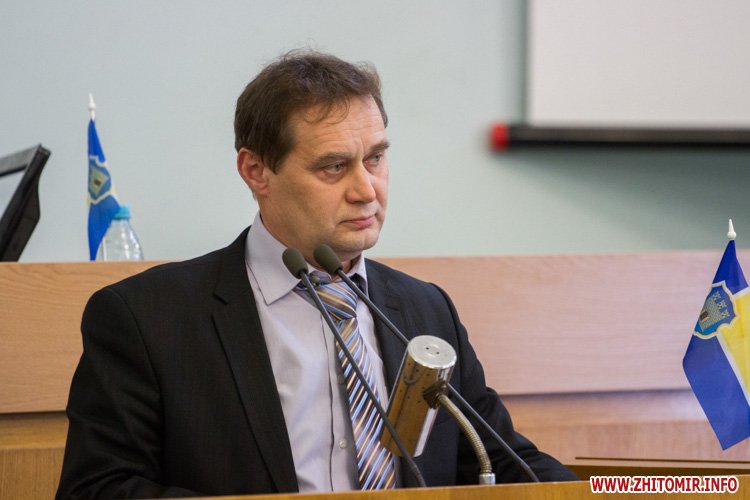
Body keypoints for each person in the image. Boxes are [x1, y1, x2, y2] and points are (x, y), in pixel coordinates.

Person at [56, 50, 577, 499]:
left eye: (376, 159)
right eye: (333, 166)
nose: (366, 190)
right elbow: (99, 489)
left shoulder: (425, 310)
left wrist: (614, 490)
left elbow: (503, 462)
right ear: (256, 171)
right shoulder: (147, 319)